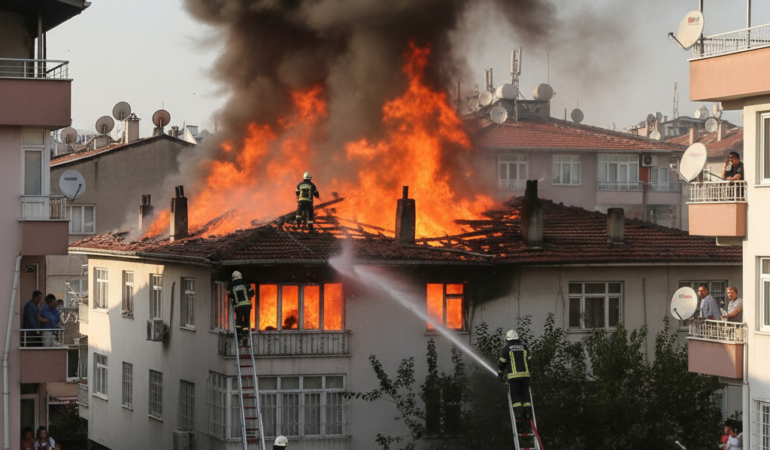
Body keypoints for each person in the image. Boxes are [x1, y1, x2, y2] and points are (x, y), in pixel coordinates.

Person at [497, 329, 532, 420]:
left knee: (515, 394)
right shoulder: (524, 347)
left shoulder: (507, 348)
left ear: (508, 339)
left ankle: (519, 414)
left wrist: (500, 374)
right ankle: (528, 413)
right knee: (525, 394)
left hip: (514, 376)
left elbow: (502, 362)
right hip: (525, 376)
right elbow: (529, 359)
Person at [228, 271, 254, 347]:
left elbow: (230, 295)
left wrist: (234, 300)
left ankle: (239, 336)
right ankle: (245, 338)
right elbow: (252, 292)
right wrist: (248, 296)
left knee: (239, 323)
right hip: (247, 306)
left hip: (238, 306)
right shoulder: (246, 284)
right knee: (246, 322)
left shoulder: (232, 286)